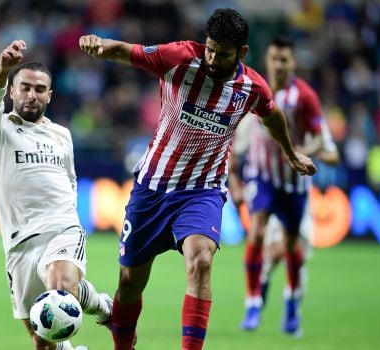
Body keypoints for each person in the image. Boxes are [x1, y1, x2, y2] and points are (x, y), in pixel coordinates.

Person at [78, 9, 317, 350]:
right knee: (130, 282)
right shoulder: (178, 58)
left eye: (223, 53)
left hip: (202, 192)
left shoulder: (251, 87)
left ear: (242, 53)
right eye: (210, 48)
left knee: (201, 260)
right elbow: (128, 52)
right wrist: (98, 43)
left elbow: (273, 115)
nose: (213, 58)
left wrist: (291, 154)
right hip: (152, 188)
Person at [0, 39, 112, 350]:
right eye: (24, 87)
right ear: (12, 91)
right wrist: (1, 69)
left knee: (59, 290)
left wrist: (69, 220)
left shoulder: (62, 135)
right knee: (43, 341)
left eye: (39, 89)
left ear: (49, 95)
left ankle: (95, 306)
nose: (31, 94)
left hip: (60, 227)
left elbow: (70, 181)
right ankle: (101, 306)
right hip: (18, 242)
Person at [227, 37, 326, 336]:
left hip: (292, 182)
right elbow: (235, 136)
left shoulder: (305, 97)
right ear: (267, 60)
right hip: (261, 176)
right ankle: (253, 302)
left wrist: (301, 150)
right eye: (274, 58)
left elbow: (320, 137)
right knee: (256, 231)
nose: (278, 64)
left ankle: (292, 302)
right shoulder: (253, 89)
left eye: (284, 59)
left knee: (291, 245)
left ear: (293, 62)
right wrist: (234, 179)